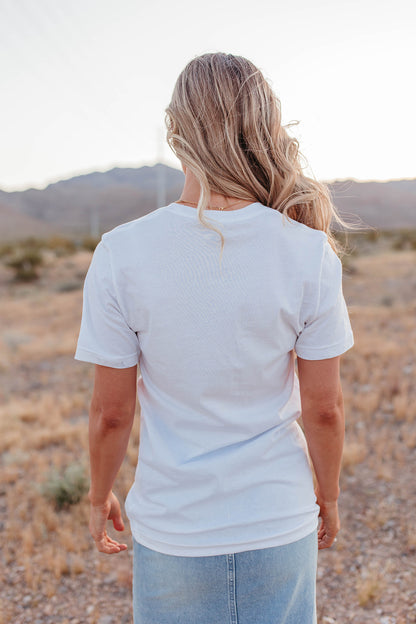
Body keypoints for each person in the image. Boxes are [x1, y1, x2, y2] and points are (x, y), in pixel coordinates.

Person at [75, 52, 354, 624]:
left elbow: (110, 413)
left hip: (175, 528)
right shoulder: (308, 252)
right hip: (279, 517)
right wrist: (326, 495)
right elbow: (325, 409)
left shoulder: (121, 253)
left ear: (176, 133)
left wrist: (98, 492)